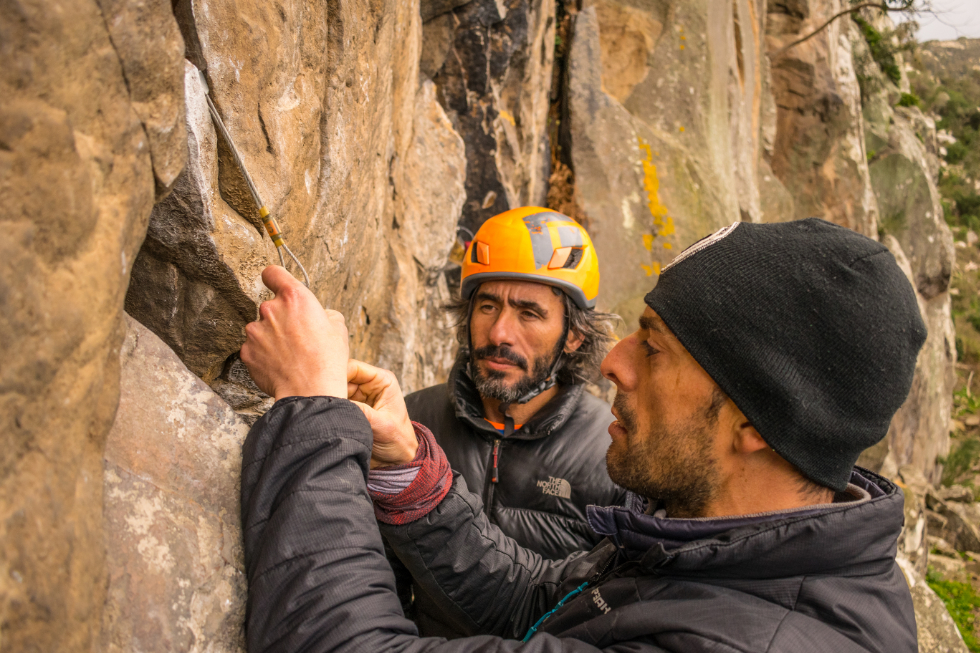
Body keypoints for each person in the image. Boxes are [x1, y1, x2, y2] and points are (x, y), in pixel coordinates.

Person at [239, 218, 924, 652]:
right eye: (486, 304)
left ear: (753, 422)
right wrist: (409, 465)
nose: (611, 363)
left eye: (653, 349)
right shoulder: (706, 544)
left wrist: (308, 407)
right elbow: (536, 599)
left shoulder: (744, 629)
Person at [396, 207, 625, 635]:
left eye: (529, 313)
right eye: (487, 305)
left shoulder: (612, 455)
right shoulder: (412, 422)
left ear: (573, 335)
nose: (500, 332)